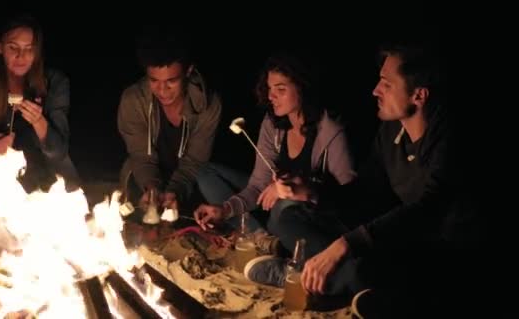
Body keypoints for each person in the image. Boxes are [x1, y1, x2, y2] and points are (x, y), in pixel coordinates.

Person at [245, 43, 480, 316]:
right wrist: (311, 192)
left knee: (372, 266)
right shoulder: (391, 130)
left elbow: (428, 209)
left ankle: (319, 278)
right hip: (397, 239)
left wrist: (346, 244)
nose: (375, 90)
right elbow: (365, 193)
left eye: (386, 84)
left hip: (444, 254)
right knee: (287, 216)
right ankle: (343, 282)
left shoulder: (451, 138)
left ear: (419, 95)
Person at [193, 52, 357, 251]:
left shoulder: (331, 132)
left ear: (303, 87)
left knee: (282, 206)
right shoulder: (273, 124)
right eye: (270, 88)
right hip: (273, 206)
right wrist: (225, 209)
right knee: (205, 172)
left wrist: (292, 190)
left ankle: (273, 241)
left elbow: (349, 200)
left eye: (280, 89)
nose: (271, 96)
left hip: (313, 214)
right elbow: (257, 186)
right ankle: (262, 238)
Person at [0, 14, 81, 193]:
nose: (21, 56)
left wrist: (39, 121)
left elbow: (59, 152)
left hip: (53, 185)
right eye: (13, 47)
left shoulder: (55, 83)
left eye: (29, 49)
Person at [117, 27, 222, 216]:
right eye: (154, 80)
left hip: (190, 179)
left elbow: (195, 161)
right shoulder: (133, 100)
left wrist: (174, 191)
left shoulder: (207, 104)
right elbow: (141, 156)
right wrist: (152, 189)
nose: (162, 90)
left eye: (171, 81)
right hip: (144, 175)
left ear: (188, 71)